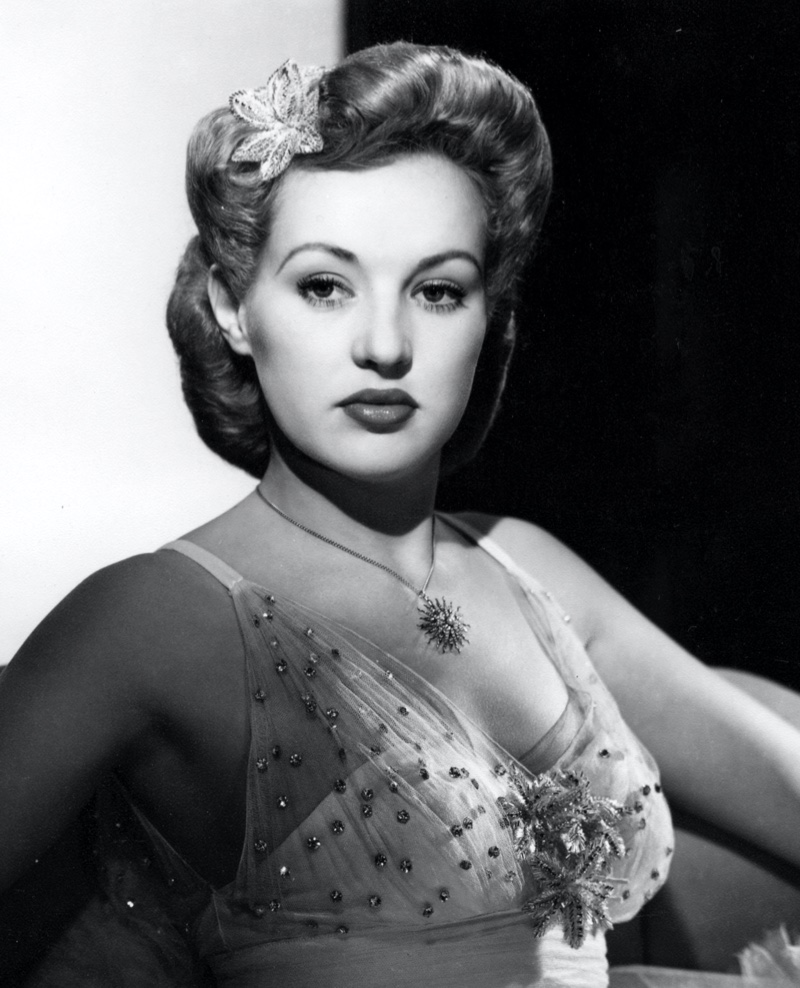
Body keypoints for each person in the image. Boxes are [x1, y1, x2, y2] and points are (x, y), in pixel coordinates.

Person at [1, 41, 799, 988]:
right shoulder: (152, 618)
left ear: (489, 318)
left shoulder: (526, 566)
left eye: (437, 290)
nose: (385, 345)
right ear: (233, 307)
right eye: (325, 286)